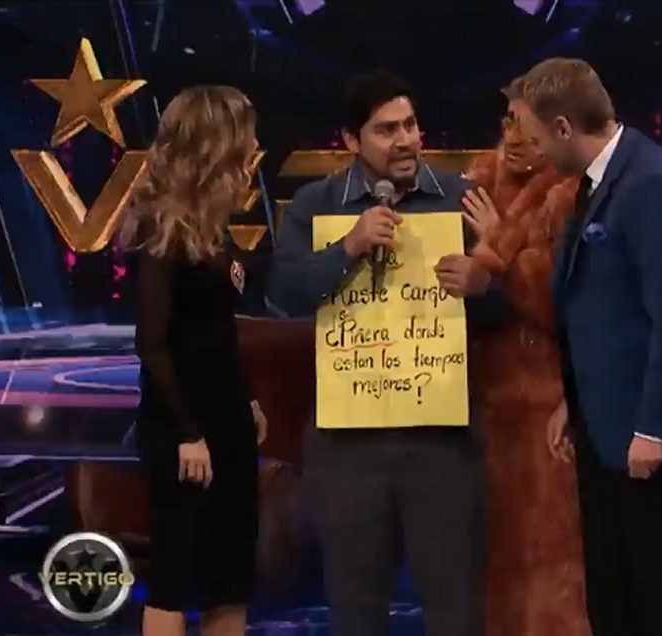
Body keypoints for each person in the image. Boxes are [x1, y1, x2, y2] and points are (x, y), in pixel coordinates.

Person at [267, 70, 503, 636]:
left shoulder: (462, 199)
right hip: (347, 450)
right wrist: (346, 248)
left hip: (441, 447)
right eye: (386, 129)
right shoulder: (315, 204)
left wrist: (486, 281)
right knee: (356, 614)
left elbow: (512, 315)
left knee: (457, 612)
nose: (405, 140)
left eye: (411, 125)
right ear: (350, 140)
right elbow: (284, 296)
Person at [498, 58, 662, 636]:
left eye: (535, 135)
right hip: (604, 427)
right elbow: (602, 312)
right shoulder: (599, 180)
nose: (530, 148)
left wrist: (654, 429)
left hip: (646, 438)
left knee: (658, 605)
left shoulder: (649, 187)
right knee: (612, 600)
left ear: (564, 128)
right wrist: (574, 401)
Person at [119, 85, 267, 636]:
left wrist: (246, 400)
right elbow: (153, 342)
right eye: (245, 136)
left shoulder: (214, 228)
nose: (252, 148)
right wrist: (188, 433)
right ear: (215, 144)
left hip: (227, 423)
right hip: (183, 431)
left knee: (231, 577)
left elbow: (217, 333)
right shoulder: (160, 227)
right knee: (176, 574)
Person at [460, 107, 590, 636]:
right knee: (492, 560)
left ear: (558, 130)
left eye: (526, 128)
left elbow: (570, 310)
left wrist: (501, 247)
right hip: (476, 403)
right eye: (507, 121)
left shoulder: (574, 194)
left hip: (546, 403)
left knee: (552, 559)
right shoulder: (473, 185)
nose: (512, 137)